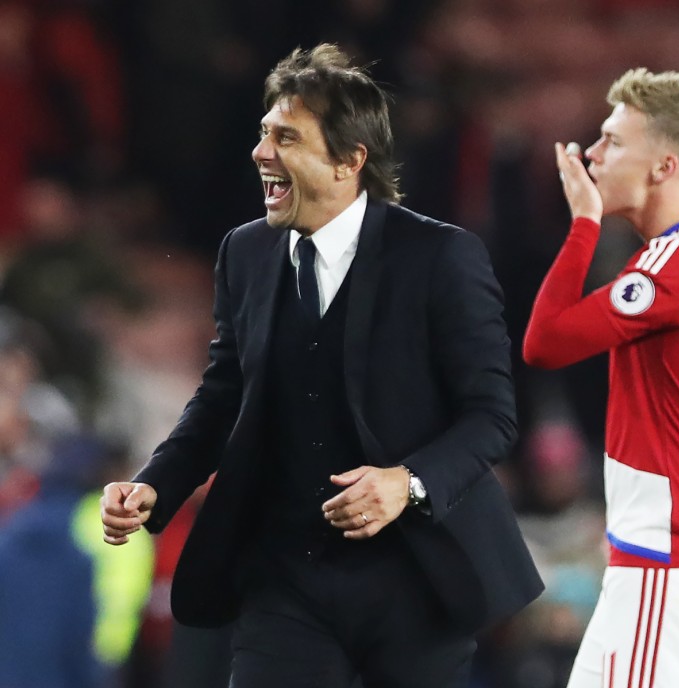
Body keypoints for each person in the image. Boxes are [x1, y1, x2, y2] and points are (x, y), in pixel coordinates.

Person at [99, 43, 543, 688]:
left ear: (348, 160)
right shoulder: (245, 253)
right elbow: (224, 397)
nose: (260, 153)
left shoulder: (441, 256)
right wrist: (156, 484)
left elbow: (493, 415)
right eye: (262, 135)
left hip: (414, 578)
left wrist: (407, 482)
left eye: (286, 138)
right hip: (284, 578)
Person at [523, 68, 679, 687]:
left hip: (669, 561)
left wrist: (583, 222)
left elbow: (544, 343)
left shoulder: (673, 265)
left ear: (662, 166)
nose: (591, 155)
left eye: (612, 141)